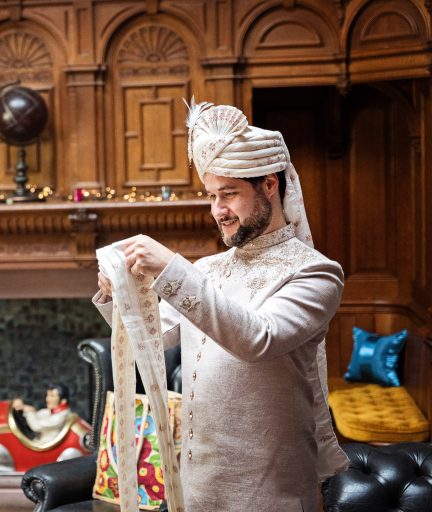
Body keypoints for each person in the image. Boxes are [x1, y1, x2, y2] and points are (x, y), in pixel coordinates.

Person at [94, 99, 347, 511]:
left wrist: (172, 268)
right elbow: (155, 335)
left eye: (229, 194)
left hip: (270, 493)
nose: (218, 211)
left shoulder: (316, 273)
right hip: (197, 488)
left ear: (269, 185)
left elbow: (258, 339)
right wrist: (117, 290)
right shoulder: (207, 269)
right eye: (212, 196)